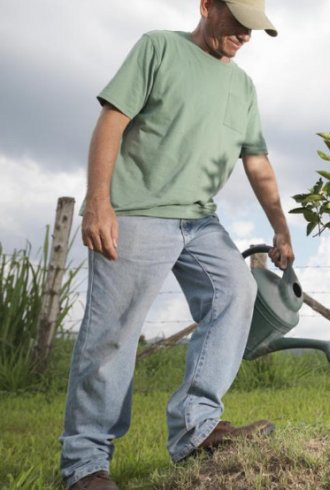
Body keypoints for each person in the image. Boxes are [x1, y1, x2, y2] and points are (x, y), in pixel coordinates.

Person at [59, 1, 293, 488]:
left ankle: (197, 427)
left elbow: (257, 162)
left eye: (253, 29)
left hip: (200, 220)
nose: (245, 36)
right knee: (113, 334)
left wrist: (281, 227)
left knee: (237, 290)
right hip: (135, 210)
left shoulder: (243, 87)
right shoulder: (158, 48)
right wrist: (98, 200)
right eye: (238, 23)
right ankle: (85, 464)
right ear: (207, 6)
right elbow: (112, 120)